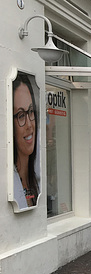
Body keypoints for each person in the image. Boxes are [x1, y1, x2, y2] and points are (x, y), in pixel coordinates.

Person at [13, 73, 40, 209]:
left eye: (31, 111)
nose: (29, 125)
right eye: (21, 115)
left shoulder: (37, 179)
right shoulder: (10, 181)